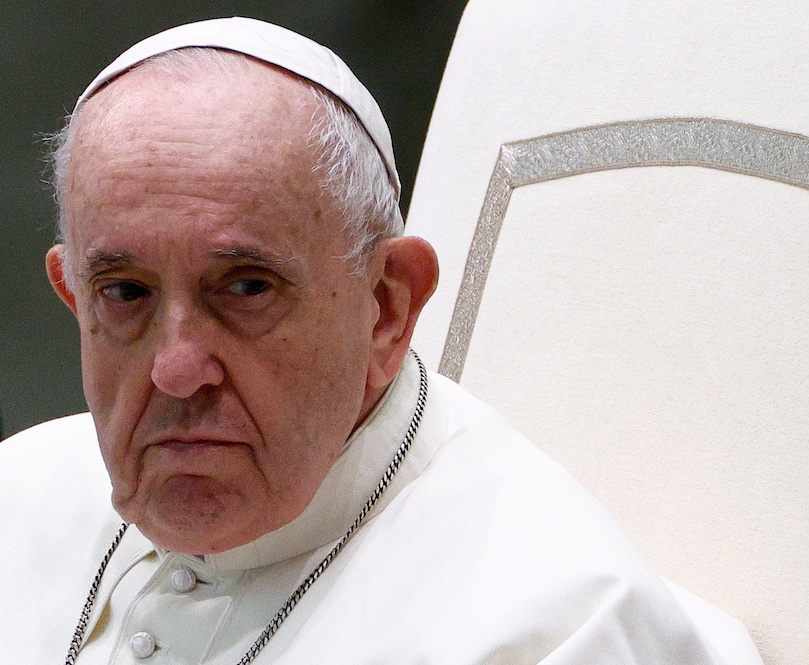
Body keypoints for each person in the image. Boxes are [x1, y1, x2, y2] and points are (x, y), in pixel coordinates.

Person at [0, 17, 760, 664]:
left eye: (245, 288)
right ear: (75, 297)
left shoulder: (551, 626)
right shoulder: (16, 500)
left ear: (387, 308)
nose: (175, 370)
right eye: (126, 293)